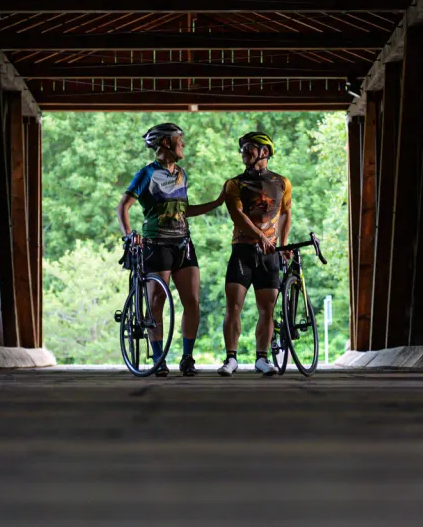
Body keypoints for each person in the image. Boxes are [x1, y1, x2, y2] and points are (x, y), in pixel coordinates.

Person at [117, 123, 223, 377]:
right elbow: (124, 206)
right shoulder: (147, 174)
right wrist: (130, 235)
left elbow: (184, 211)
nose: (183, 144)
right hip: (156, 244)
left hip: (183, 243)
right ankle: (158, 358)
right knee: (156, 303)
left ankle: (187, 358)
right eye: (179, 140)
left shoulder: (182, 174)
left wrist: (218, 202)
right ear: (166, 143)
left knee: (193, 302)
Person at [218, 131, 292, 377]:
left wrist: (283, 244)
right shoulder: (234, 184)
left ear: (265, 152)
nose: (243, 152)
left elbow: (284, 213)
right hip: (243, 251)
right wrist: (260, 237)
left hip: (270, 254)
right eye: (242, 149)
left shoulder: (282, 182)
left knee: (267, 309)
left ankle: (262, 358)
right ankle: (231, 358)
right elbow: (237, 216)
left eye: (249, 148)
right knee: (234, 306)